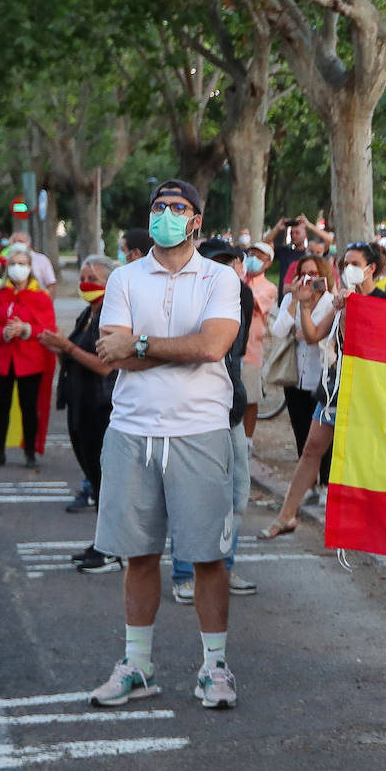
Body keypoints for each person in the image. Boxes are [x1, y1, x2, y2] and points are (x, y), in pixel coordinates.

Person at [88, 179, 243, 709]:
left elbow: (214, 345)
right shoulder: (125, 278)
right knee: (139, 554)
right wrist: (176, 349)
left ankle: (215, 667)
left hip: (199, 429)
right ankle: (137, 665)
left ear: (196, 220)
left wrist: (145, 343)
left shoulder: (220, 278)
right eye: (159, 207)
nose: (167, 215)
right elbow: (114, 353)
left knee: (207, 557)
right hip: (132, 429)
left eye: (178, 208)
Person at [259, 243, 386, 542]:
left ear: (372, 269)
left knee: (368, 454)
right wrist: (303, 305)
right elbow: (314, 334)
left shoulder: (384, 300)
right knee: (312, 448)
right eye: (344, 263)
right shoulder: (342, 301)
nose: (348, 268)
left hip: (369, 388)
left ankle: (370, 523)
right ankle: (286, 515)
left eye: (355, 263)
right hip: (336, 385)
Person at [171, 238, 259, 603]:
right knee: (192, 497)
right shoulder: (183, 298)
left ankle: (224, 565)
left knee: (237, 493)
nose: (225, 269)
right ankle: (183, 573)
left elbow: (233, 354)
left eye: (231, 262)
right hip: (193, 413)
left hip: (231, 410)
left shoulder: (242, 297)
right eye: (215, 262)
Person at [38, 257, 119, 566]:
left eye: (93, 278)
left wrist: (68, 348)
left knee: (104, 478)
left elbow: (104, 366)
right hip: (78, 403)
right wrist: (59, 348)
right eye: (83, 276)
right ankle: (101, 542)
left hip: (99, 406)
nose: (86, 282)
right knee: (93, 476)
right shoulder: (88, 313)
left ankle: (110, 547)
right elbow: (73, 357)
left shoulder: (112, 317)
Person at [0, 246, 56, 469]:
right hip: (1, 359)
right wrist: (2, 332)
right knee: (1, 406)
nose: (17, 268)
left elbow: (47, 326)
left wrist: (25, 329)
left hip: (30, 360)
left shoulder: (40, 297)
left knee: (29, 407)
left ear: (30, 268)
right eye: (13, 264)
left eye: (22, 264)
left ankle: (30, 452)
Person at [272, 254, 338, 486]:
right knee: (301, 434)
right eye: (304, 273)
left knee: (323, 438)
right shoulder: (292, 299)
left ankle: (325, 484)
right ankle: (307, 486)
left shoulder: (332, 302)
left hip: (321, 378)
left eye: (313, 273)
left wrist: (311, 333)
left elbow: (327, 337)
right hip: (296, 377)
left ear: (324, 275)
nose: (308, 278)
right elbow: (279, 331)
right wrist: (294, 302)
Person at [241, 241, 278, 449]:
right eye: (252, 253)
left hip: (251, 348)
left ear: (268, 264)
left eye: (260, 256)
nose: (254, 258)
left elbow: (252, 302)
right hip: (229, 346)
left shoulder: (269, 288)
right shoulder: (238, 277)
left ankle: (248, 440)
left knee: (250, 396)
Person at [6, 230, 57, 297]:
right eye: (14, 242)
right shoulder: (6, 259)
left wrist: (47, 302)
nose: (17, 244)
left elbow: (51, 284)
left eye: (20, 241)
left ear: (29, 243)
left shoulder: (41, 259)